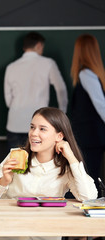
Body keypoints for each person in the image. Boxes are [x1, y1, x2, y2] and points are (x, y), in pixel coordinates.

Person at [0, 107, 97, 240]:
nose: (33, 133)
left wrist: (71, 157)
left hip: (45, 233)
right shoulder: (15, 156)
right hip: (11, 231)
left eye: (42, 129)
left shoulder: (66, 167)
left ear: (59, 136)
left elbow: (88, 198)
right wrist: (4, 181)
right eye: (32, 127)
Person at [4, 31, 68, 150]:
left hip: (15, 123)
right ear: (39, 45)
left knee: (16, 165)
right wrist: (62, 112)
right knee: (39, 165)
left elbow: (8, 100)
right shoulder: (48, 63)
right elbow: (61, 89)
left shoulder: (11, 67)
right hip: (41, 125)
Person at [70, 34, 105, 194]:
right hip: (91, 137)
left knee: (88, 179)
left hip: (89, 138)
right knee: (88, 177)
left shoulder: (86, 74)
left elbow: (100, 105)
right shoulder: (89, 74)